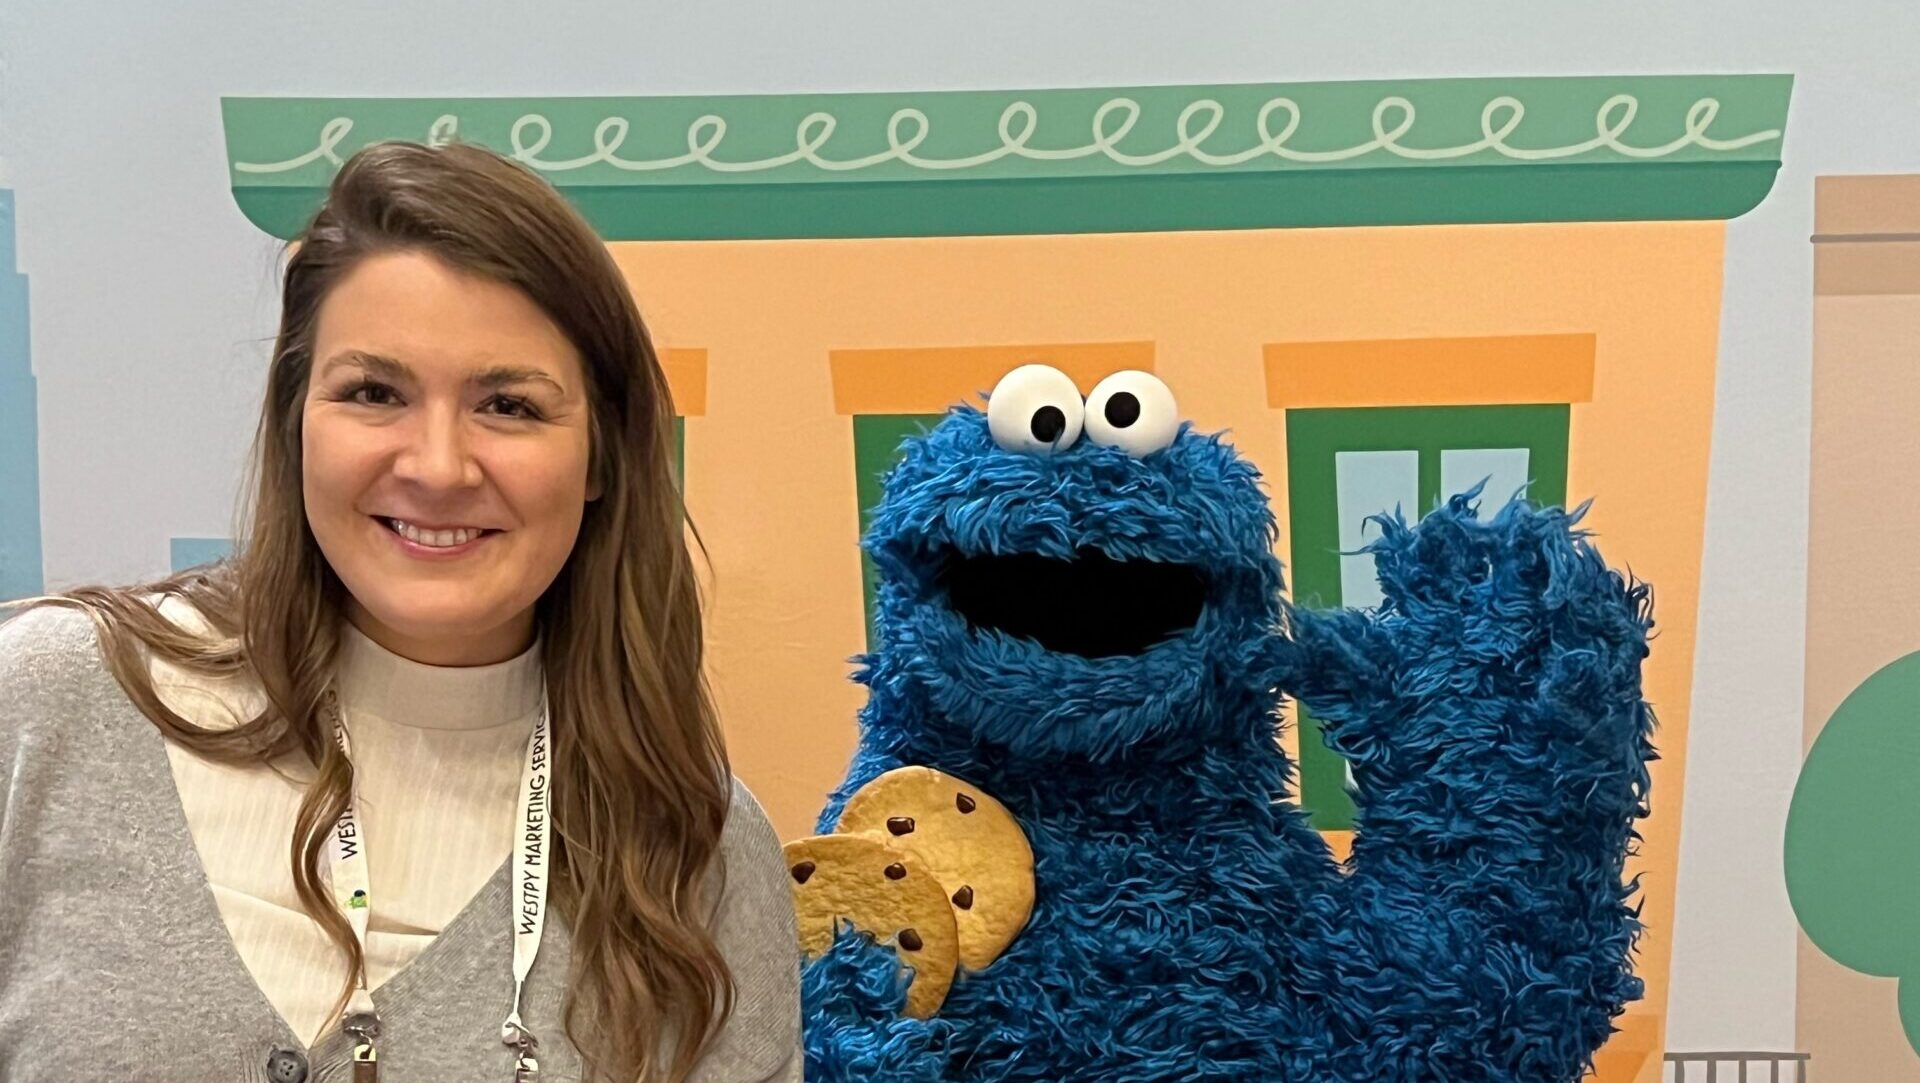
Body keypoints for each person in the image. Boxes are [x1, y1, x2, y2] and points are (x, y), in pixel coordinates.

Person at [0, 141, 801, 1082]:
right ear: (298, 417)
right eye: (374, 393)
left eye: (507, 405)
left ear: (603, 459)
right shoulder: (50, 705)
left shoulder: (694, 853)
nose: (436, 466)